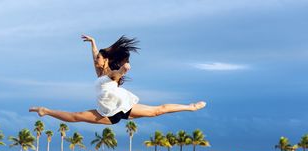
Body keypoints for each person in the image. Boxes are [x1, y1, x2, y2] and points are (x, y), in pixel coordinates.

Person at [29, 35, 206, 125]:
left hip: (122, 106)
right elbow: (95, 56)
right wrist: (93, 43)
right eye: (97, 58)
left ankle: (190, 107)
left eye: (99, 58)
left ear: (105, 60)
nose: (96, 60)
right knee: (76, 117)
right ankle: (45, 111)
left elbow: (118, 73)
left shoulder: (111, 73)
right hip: (107, 113)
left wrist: (123, 69)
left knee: (157, 111)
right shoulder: (100, 72)